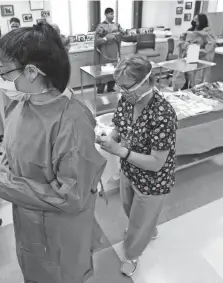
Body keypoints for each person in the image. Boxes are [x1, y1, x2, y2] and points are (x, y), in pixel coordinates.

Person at [0, 23, 107, 283]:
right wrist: (6, 173)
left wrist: (7, 185)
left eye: (3, 72)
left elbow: (72, 195)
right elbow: (8, 149)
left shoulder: (72, 123)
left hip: (59, 231)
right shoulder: (19, 104)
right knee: (33, 268)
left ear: (31, 72)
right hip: (27, 220)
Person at [97, 55, 177, 277]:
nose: (120, 91)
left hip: (152, 179)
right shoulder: (128, 101)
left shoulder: (162, 113)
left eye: (125, 86)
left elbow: (157, 162)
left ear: (145, 82)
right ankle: (147, 228)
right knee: (130, 209)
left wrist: (120, 151)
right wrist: (109, 138)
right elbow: (120, 127)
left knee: (139, 221)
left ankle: (132, 254)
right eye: (118, 85)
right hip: (130, 169)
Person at [172, 14, 216, 89]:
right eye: (194, 20)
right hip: (186, 57)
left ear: (202, 21)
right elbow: (181, 41)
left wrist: (196, 50)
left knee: (196, 80)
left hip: (200, 59)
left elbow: (209, 46)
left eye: (197, 20)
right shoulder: (190, 31)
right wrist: (185, 45)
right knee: (180, 77)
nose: (195, 22)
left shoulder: (207, 33)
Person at [94, 7, 124, 94]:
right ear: (106, 15)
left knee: (114, 69)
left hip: (114, 49)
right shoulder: (101, 26)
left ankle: (111, 87)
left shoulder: (117, 25)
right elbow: (97, 40)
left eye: (113, 14)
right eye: (111, 14)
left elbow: (122, 34)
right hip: (105, 50)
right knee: (103, 69)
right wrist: (106, 38)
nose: (113, 15)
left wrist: (118, 35)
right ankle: (100, 89)